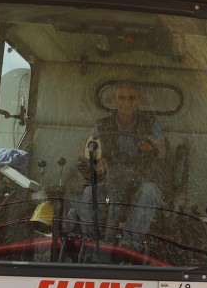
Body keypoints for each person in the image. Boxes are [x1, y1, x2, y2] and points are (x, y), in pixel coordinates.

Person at [71, 81, 166, 252]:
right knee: (88, 193)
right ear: (114, 100)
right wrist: (97, 160)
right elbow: (84, 151)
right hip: (109, 180)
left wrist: (154, 145)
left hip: (139, 180)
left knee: (151, 191)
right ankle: (91, 243)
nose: (127, 102)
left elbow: (163, 150)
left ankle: (130, 245)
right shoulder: (102, 124)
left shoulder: (151, 123)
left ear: (139, 101)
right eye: (122, 98)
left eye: (131, 98)